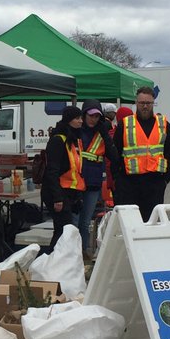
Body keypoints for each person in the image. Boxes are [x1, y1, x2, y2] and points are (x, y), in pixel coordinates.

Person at [109, 86, 170, 222]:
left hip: (154, 183)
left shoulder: (164, 125)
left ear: (153, 103)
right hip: (129, 184)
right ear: (136, 103)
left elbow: (169, 153)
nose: (145, 106)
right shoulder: (125, 124)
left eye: (148, 103)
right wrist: (117, 178)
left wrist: (164, 180)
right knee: (130, 224)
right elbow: (115, 154)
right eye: (141, 103)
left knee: (151, 224)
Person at [42, 105, 86, 252]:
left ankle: (54, 262)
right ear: (68, 120)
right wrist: (57, 198)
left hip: (69, 192)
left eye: (81, 118)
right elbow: (52, 171)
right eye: (77, 118)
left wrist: (77, 195)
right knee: (63, 232)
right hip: (57, 192)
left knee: (62, 230)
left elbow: (75, 171)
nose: (81, 121)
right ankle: (48, 260)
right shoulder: (58, 140)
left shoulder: (73, 140)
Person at [76, 100, 112, 260]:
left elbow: (113, 155)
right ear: (84, 115)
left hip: (93, 183)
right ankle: (73, 253)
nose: (93, 119)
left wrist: (105, 133)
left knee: (84, 222)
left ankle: (83, 252)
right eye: (91, 116)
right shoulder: (76, 132)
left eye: (97, 116)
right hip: (76, 182)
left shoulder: (101, 133)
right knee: (74, 222)